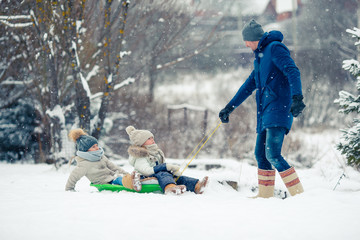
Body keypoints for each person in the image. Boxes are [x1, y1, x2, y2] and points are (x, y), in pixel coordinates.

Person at [218, 19, 306, 198]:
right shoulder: (260, 58)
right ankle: (265, 196)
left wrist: (297, 97)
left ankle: (299, 196)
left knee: (273, 154)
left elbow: (292, 70)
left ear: (254, 39)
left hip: (279, 108)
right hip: (265, 111)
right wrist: (229, 108)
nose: (245, 44)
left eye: (246, 40)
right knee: (260, 154)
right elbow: (247, 86)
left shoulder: (274, 48)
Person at [125, 126, 209, 195]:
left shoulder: (156, 152)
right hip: (144, 178)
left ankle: (197, 186)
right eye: (149, 138)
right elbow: (147, 171)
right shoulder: (140, 156)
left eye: (152, 137)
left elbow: (161, 167)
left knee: (176, 177)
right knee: (163, 174)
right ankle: (169, 188)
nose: (152, 139)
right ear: (141, 142)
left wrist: (172, 171)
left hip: (158, 176)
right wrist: (165, 167)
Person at [65, 128, 142, 192]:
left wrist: (126, 174)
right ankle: (132, 183)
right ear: (85, 150)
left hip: (113, 177)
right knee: (119, 179)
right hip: (103, 182)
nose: (97, 148)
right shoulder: (84, 164)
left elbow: (113, 167)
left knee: (120, 177)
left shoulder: (101, 156)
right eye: (93, 147)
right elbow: (74, 176)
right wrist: (69, 188)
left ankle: (135, 179)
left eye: (96, 145)